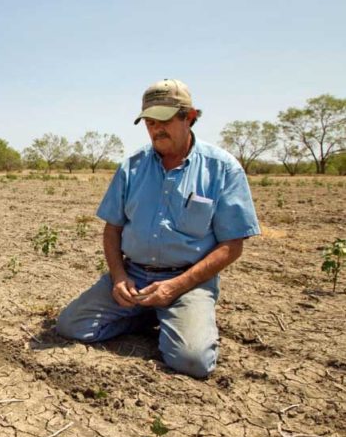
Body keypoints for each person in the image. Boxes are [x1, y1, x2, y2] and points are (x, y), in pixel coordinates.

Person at [56, 79, 260, 378]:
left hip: (187, 282)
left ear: (189, 117)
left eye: (164, 120)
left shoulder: (222, 168)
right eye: (149, 122)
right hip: (134, 276)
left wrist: (174, 288)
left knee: (192, 361)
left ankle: (175, 316)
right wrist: (118, 277)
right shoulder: (132, 167)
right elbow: (112, 229)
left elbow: (232, 246)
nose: (156, 129)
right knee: (71, 326)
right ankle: (146, 313)